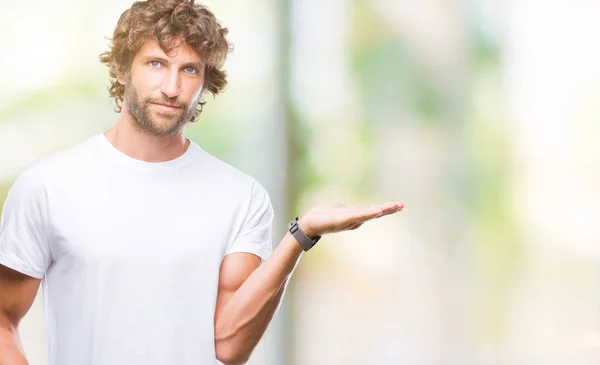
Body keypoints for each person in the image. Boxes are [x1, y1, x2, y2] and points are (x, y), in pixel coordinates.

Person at [0, 0, 403, 364]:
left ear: (205, 82)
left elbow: (228, 345)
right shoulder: (48, 186)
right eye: (156, 63)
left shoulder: (241, 198)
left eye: (189, 69)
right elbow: (3, 320)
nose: (172, 88)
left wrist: (301, 236)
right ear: (123, 70)